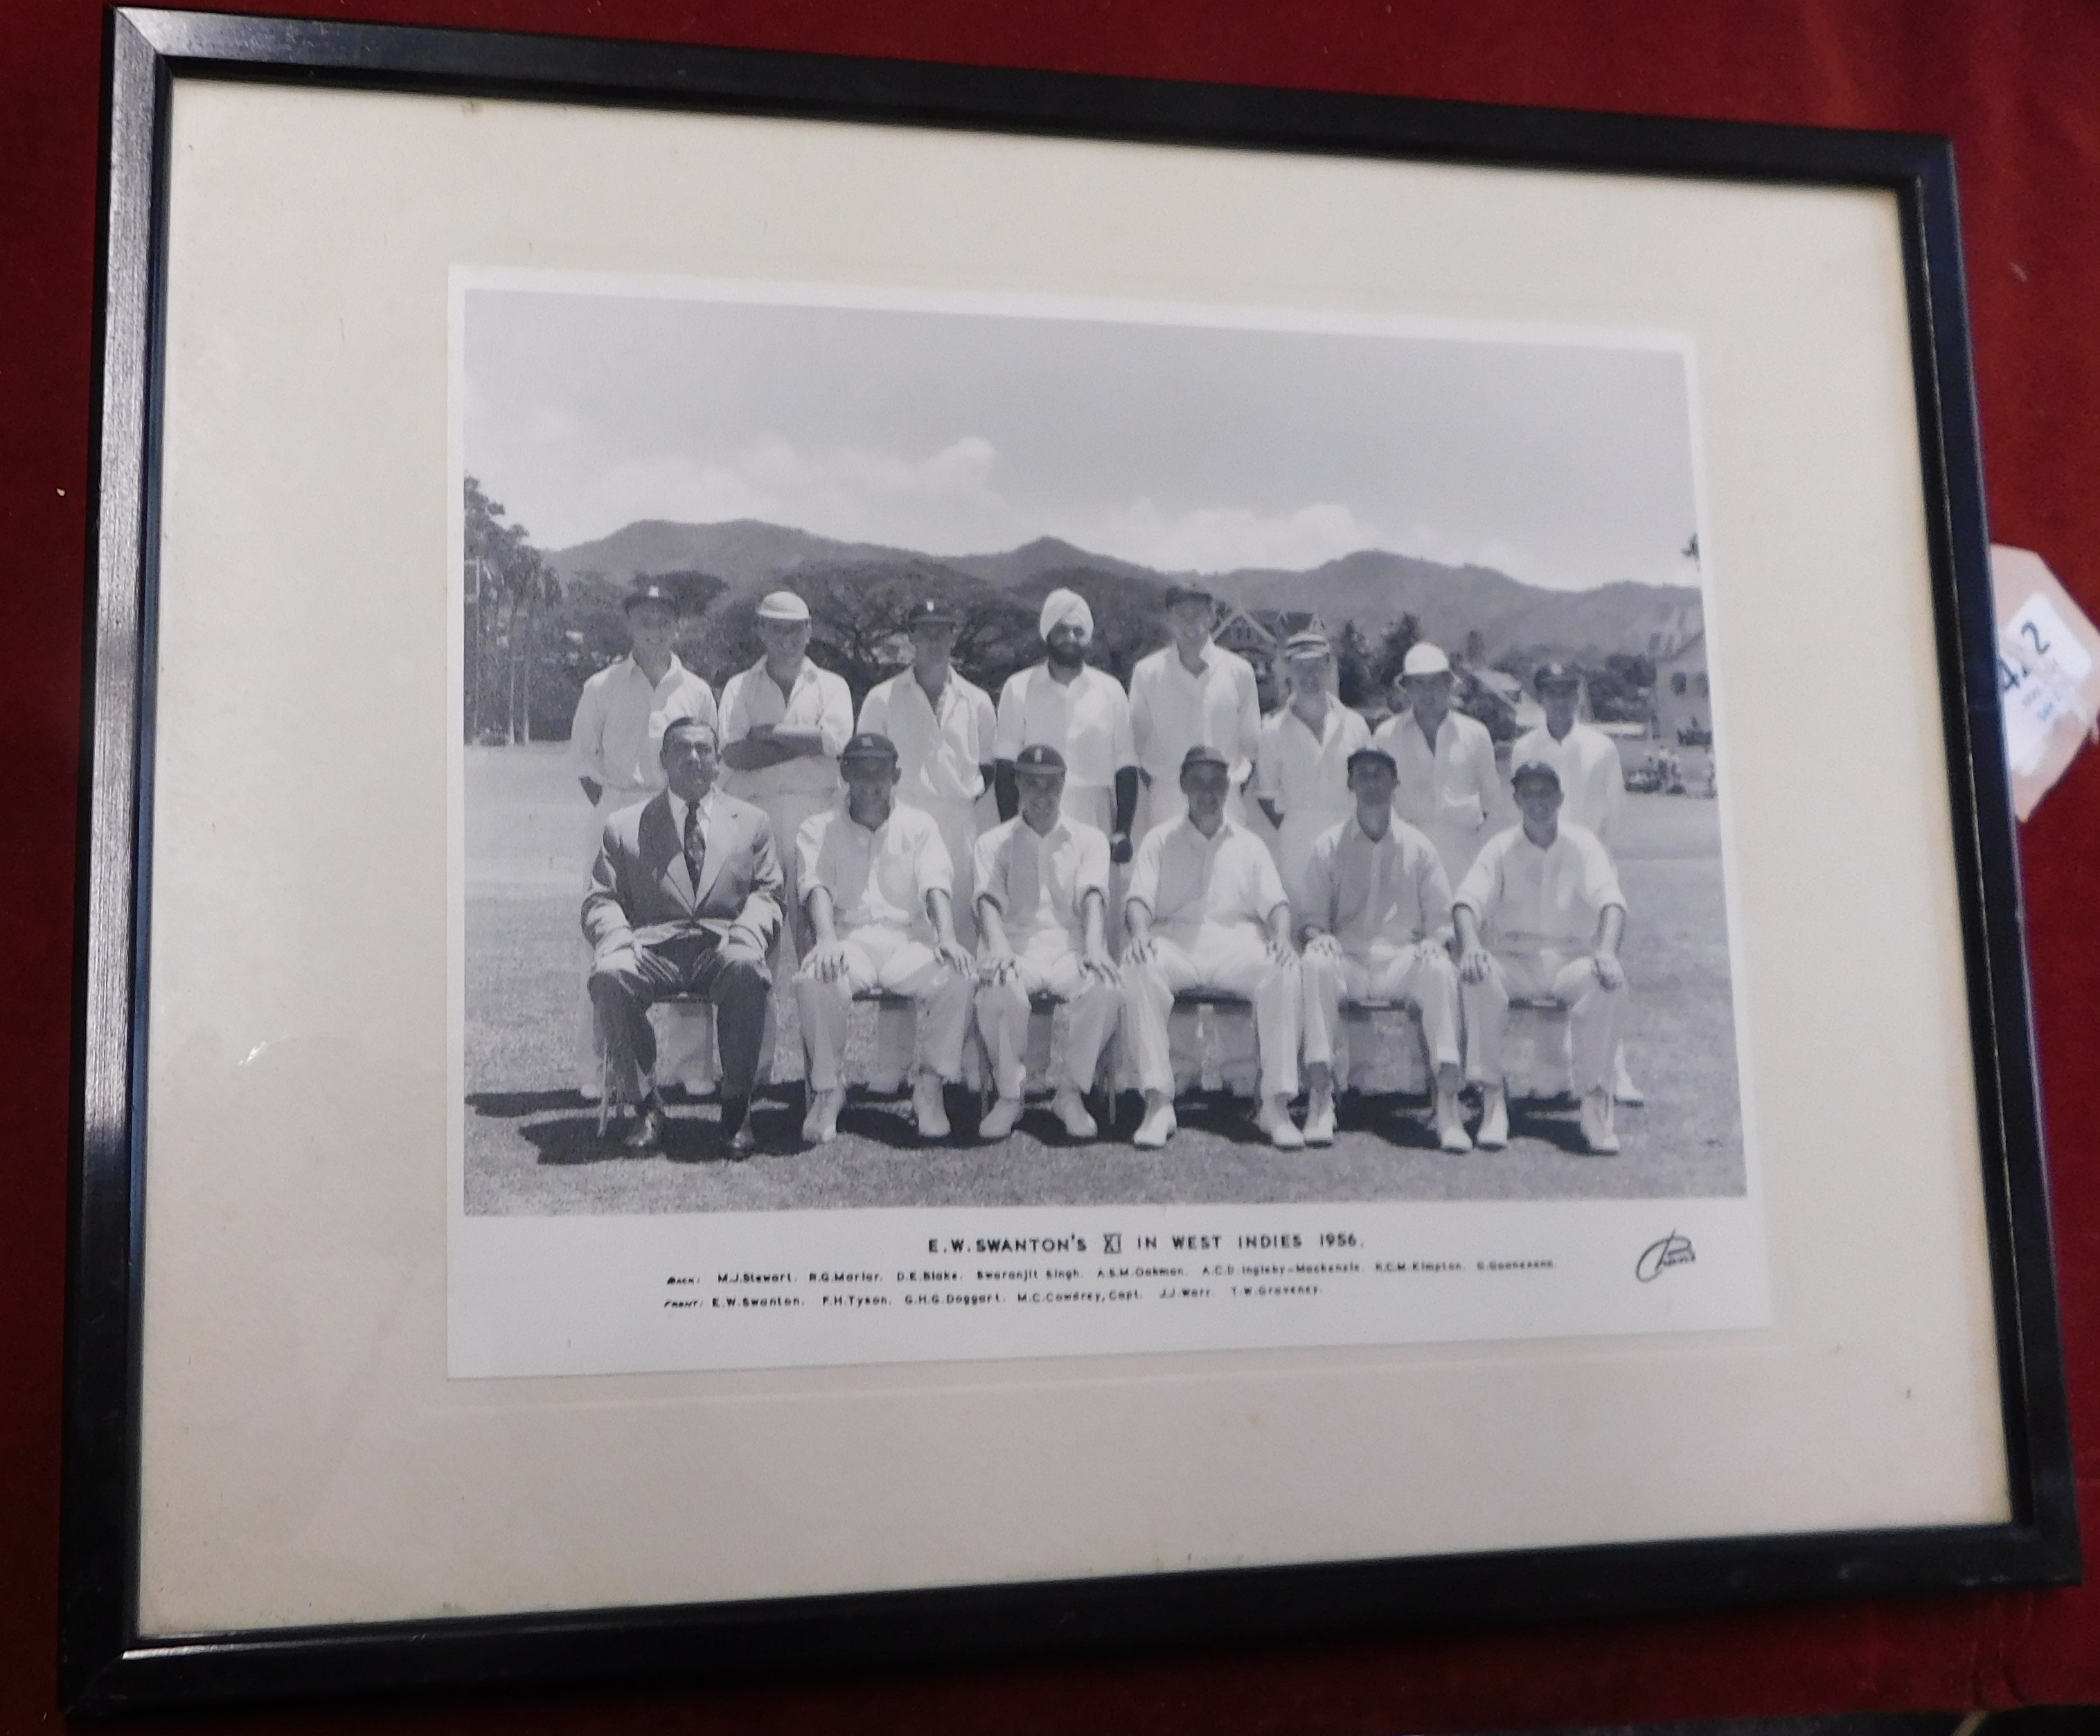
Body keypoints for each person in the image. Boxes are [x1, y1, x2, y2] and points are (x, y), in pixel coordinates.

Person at [580, 717, 780, 1156]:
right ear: (663, 761)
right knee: (610, 975)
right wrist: (620, 940)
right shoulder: (624, 825)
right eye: (682, 750)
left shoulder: (752, 821)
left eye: (703, 750)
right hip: (652, 948)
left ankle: (735, 1108)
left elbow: (768, 894)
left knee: (747, 968)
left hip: (722, 946)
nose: (693, 758)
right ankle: (645, 1106)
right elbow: (600, 900)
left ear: (717, 760)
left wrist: (745, 934)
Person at [565, 582, 718, 1100]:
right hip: (618, 811)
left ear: (677, 626)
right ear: (629, 624)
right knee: (603, 939)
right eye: (645, 619)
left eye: (664, 620)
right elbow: (584, 763)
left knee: (689, 931)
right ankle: (600, 1066)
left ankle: (691, 1065)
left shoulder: (695, 690)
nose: (655, 629)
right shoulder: (601, 685)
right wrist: (618, 814)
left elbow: (708, 764)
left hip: (678, 815)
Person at [792, 733, 975, 1145]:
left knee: (960, 975)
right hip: (847, 940)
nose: (871, 785)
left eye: (881, 775)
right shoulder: (816, 827)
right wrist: (824, 940)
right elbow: (815, 886)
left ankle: (929, 1085)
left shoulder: (920, 825)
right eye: (860, 773)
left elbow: (935, 884)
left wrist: (946, 936)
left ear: (897, 776)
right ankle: (827, 1089)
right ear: (845, 774)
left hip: (907, 941)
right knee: (813, 978)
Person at [1123, 745, 1306, 1151]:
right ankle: (1158, 1102)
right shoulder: (1159, 840)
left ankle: (1275, 1105)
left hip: (1235, 943)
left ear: (1229, 788)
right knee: (1137, 965)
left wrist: (1280, 936)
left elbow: (1276, 904)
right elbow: (1138, 900)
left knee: (1284, 967)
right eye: (1199, 782)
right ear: (1184, 785)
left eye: (1218, 783)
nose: (1208, 792)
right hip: (1176, 942)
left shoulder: (1249, 844)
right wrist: (1139, 934)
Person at [1452, 758, 1629, 1154]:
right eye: (1528, 794)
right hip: (1514, 957)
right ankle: (1493, 1099)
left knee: (1607, 984)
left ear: (1561, 797)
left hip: (1570, 958)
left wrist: (1605, 952)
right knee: (1476, 974)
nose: (1537, 802)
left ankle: (1594, 1104)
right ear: (1516, 799)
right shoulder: (1498, 847)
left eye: (1545, 793)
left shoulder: (1583, 843)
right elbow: (1466, 903)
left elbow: (1612, 903)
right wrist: (1472, 947)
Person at [1297, 748, 1470, 1152]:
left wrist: (1434, 943)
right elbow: (1310, 917)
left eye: (1380, 774)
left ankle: (1447, 1103)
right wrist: (1315, 934)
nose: (1371, 782)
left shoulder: (1420, 847)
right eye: (1362, 774)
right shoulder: (1327, 846)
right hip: (1349, 959)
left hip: (1400, 961)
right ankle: (1321, 1096)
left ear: (1395, 784)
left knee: (1441, 968)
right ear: (1350, 784)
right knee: (1314, 962)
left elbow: (1442, 921)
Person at [857, 598, 998, 1089]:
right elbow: (864, 768)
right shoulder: (882, 697)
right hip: (901, 824)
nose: (934, 640)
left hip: (959, 825)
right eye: (925, 631)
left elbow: (988, 769)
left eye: (943, 630)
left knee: (958, 941)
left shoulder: (978, 700)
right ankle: (890, 1065)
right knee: (899, 937)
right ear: (911, 636)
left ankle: (957, 1060)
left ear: (954, 635)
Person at [718, 590, 855, 1073]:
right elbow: (733, 755)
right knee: (756, 950)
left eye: (796, 629)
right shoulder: (739, 686)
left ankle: (821, 1073)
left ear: (810, 631)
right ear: (760, 630)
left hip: (816, 821)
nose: (787, 638)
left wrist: (767, 733)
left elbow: (836, 742)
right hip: (753, 822)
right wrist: (804, 740)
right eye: (776, 628)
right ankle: (755, 1070)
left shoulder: (832, 684)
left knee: (817, 945)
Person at [972, 745, 1123, 1141]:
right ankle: (1010, 1095)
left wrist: (1093, 947)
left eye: (1051, 784)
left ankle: (1070, 1093)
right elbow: (987, 902)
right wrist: (999, 948)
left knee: (1105, 986)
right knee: (999, 986)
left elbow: (1094, 897)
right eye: (1032, 783)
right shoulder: (993, 841)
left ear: (1063, 783)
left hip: (1069, 949)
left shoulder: (1089, 839)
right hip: (1017, 949)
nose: (1042, 794)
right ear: (1017, 783)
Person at [1510, 661, 1641, 1106]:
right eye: (1551, 692)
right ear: (1540, 697)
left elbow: (1614, 815)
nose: (1561, 700)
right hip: (1541, 871)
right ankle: (1551, 1073)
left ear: (1579, 695)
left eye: (1568, 691)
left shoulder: (1601, 747)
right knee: (1546, 963)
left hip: (1588, 870)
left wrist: (1597, 870)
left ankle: (1612, 1071)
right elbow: (1520, 813)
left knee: (1597, 969)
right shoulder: (1526, 746)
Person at [993, 587, 1139, 882]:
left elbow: (1126, 766)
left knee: (1096, 909)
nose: (1070, 639)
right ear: (1047, 634)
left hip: (1096, 817)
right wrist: (1011, 830)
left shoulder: (1110, 690)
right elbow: (1005, 767)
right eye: (1061, 631)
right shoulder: (1018, 688)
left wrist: (1122, 830)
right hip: (1037, 815)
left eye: (1077, 631)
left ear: (1087, 638)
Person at [1128, 584, 1261, 839]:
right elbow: (1138, 747)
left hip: (1226, 799)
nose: (1190, 622)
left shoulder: (1240, 672)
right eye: (1181, 614)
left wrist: (1226, 786)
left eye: (1198, 613)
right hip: (1167, 801)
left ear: (1213, 616)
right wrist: (1168, 782)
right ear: (1169, 618)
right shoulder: (1147, 673)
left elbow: (1252, 748)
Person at [1255, 629, 1371, 917]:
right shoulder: (1272, 731)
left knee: (1349, 929)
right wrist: (1297, 825)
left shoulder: (1355, 725)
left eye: (1317, 666)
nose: (1310, 677)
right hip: (1298, 847)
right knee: (1303, 929)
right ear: (1288, 672)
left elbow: (1370, 788)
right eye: (1301, 668)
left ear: (1330, 667)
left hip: (1349, 840)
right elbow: (1267, 795)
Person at [1374, 641, 1502, 884]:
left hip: (1463, 861)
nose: (1427, 693)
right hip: (1406, 863)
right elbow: (1379, 803)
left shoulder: (1476, 734)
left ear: (1448, 685)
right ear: (1407, 688)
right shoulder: (1386, 736)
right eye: (1419, 684)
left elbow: (1491, 802)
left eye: (1435, 683)